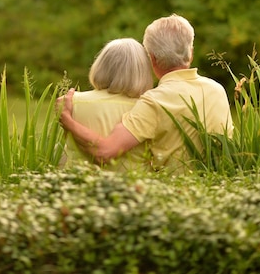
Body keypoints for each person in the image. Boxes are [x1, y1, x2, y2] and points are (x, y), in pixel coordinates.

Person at [59, 14, 233, 175]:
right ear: (191, 53)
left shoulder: (154, 100)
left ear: (152, 58)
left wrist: (68, 121)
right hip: (218, 185)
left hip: (175, 193)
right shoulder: (217, 89)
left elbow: (105, 152)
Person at [61, 38, 154, 172]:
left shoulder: (70, 103)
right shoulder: (147, 108)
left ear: (100, 66)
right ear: (143, 72)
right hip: (135, 188)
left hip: (77, 185)